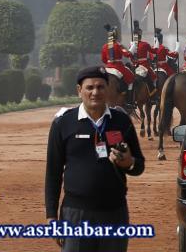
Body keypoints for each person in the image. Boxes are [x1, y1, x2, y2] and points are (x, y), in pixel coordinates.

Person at [45, 66, 144, 252]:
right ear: (79, 90)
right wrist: (51, 216)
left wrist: (129, 163)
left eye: (100, 87)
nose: (95, 92)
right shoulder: (63, 123)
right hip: (76, 214)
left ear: (107, 89)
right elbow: (53, 172)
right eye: (89, 87)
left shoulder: (121, 121)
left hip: (114, 213)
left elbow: (139, 165)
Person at [100, 25, 134, 102]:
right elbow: (127, 54)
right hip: (118, 66)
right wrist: (132, 47)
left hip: (107, 67)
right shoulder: (118, 45)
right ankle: (129, 100)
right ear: (116, 36)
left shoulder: (104, 46)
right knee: (131, 78)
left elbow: (103, 60)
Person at [129, 21, 155, 93]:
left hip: (134, 66)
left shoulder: (131, 45)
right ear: (140, 36)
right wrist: (157, 45)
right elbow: (153, 51)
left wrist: (134, 62)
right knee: (153, 77)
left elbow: (130, 57)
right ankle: (153, 93)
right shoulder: (145, 44)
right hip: (144, 65)